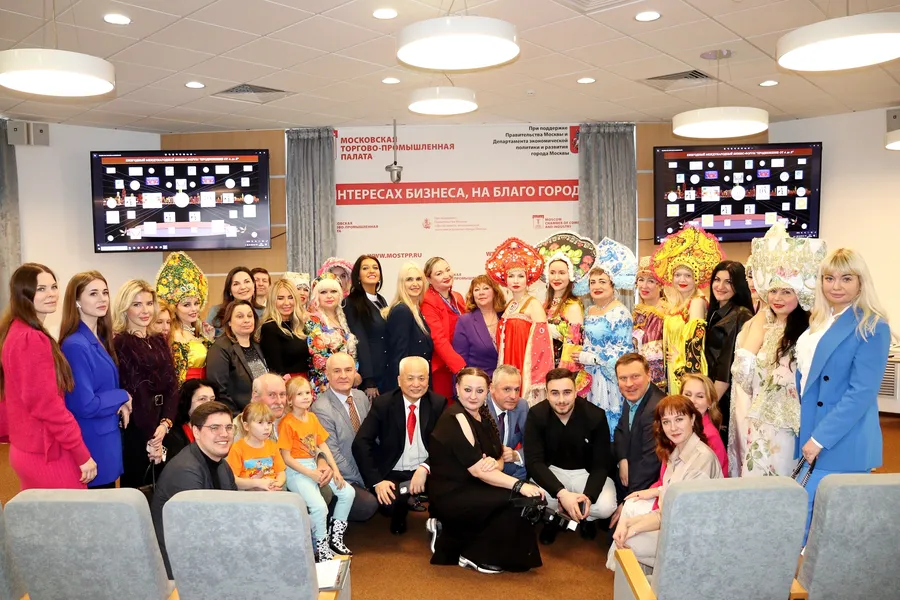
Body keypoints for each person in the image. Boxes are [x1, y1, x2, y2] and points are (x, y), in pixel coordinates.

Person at [795, 247, 890, 538]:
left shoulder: (872, 325)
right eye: (829, 278)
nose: (836, 286)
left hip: (841, 438)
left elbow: (861, 393)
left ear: (860, 282)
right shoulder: (821, 320)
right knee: (808, 519)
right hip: (813, 431)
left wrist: (819, 439)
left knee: (826, 525)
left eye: (846, 278)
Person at [729, 225, 825, 477]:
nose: (777, 298)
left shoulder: (811, 330)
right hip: (760, 421)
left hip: (792, 425)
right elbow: (742, 373)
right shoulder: (764, 324)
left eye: (786, 291)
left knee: (786, 482)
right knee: (756, 481)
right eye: (773, 291)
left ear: (800, 294)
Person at [428, 367, 544, 574]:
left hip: (476, 485)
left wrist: (495, 463)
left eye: (479, 391)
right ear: (457, 388)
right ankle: (473, 555)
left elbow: (499, 458)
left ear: (488, 391)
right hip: (453, 493)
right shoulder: (455, 418)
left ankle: (497, 552)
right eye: (468, 390)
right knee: (516, 499)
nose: (473, 396)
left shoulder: (484, 415)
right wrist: (520, 485)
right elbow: (478, 471)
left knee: (523, 501)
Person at [0, 263, 96, 489]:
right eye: (41, 289)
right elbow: (47, 405)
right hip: (44, 452)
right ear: (23, 294)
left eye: (53, 287)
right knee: (75, 510)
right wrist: (81, 453)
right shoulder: (30, 339)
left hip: (28, 447)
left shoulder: (16, 329)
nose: (51, 294)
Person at [606, 394, 723, 571]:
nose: (673, 427)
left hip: (693, 540)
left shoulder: (702, 460)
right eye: (666, 422)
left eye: (679, 419)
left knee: (626, 542)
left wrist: (634, 528)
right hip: (676, 528)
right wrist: (629, 524)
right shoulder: (676, 454)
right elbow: (666, 511)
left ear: (693, 419)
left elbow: (681, 517)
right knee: (625, 532)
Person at [352, 356, 447, 534]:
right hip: (394, 471)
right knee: (390, 504)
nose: (416, 384)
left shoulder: (438, 403)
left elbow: (445, 444)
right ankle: (404, 502)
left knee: (449, 493)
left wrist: (425, 467)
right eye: (410, 378)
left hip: (427, 470)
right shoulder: (384, 404)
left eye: (421, 378)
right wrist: (377, 481)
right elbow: (361, 443)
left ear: (428, 380)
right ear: (399, 380)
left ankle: (435, 520)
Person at [525, 369, 618, 545]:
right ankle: (554, 518)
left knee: (605, 506)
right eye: (555, 393)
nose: (561, 400)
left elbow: (601, 464)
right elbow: (534, 462)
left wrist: (588, 497)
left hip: (586, 473)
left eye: (567, 392)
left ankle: (586, 518)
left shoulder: (595, 415)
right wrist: (561, 493)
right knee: (533, 499)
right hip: (551, 471)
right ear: (547, 393)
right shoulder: (536, 414)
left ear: (576, 392)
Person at [59, 271, 131, 489]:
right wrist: (122, 396)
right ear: (76, 301)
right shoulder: (75, 345)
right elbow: (85, 404)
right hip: (92, 441)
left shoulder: (99, 339)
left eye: (105, 292)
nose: (102, 299)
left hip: (106, 437)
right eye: (93, 293)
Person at [151, 401, 238, 578]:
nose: (224, 434)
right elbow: (197, 533)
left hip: (206, 552)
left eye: (229, 427)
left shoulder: (221, 464)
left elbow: (234, 513)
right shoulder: (185, 471)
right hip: (179, 568)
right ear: (196, 432)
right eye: (214, 428)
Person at [111, 279, 179, 488]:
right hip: (137, 428)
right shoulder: (120, 342)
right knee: (138, 489)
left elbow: (172, 385)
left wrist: (165, 424)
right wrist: (152, 438)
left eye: (149, 303)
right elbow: (135, 390)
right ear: (125, 308)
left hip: (162, 426)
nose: (145, 310)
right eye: (137, 304)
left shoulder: (158, 339)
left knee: (164, 488)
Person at [280, 376, 355, 561]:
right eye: (299, 394)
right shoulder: (287, 423)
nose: (306, 397)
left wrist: (335, 470)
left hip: (314, 466)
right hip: (297, 471)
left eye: (307, 392)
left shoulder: (312, 418)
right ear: (290, 399)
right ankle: (322, 548)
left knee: (348, 492)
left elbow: (323, 445)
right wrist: (310, 473)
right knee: (319, 507)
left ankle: (335, 539)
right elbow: (286, 458)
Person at [651, 225, 724, 393]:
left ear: (695, 279)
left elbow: (696, 344)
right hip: (672, 370)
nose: (682, 280)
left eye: (688, 275)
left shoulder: (696, 302)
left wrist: (680, 363)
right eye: (678, 275)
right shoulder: (675, 305)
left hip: (684, 373)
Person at [311, 352, 380, 522]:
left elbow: (372, 438)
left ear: (355, 373)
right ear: (327, 375)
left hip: (364, 468)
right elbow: (333, 455)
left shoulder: (361, 397)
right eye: (337, 371)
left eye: (348, 370)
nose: (343, 376)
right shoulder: (321, 408)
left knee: (393, 496)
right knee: (368, 505)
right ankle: (331, 511)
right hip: (343, 475)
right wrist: (366, 480)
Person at [486, 238, 554, 405]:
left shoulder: (533, 305)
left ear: (527, 279)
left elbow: (543, 346)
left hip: (525, 366)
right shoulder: (509, 306)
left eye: (520, 276)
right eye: (511, 276)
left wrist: (536, 377)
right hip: (508, 363)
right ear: (505, 280)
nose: (515, 281)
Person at [576, 262, 634, 437]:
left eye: (602, 281)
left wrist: (593, 359)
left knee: (608, 422)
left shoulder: (620, 312)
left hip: (608, 377)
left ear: (612, 285)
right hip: (589, 374)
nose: (596, 286)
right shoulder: (589, 310)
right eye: (592, 282)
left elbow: (624, 350)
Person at [537, 233, 597, 396]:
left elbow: (573, 346)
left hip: (562, 373)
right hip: (545, 367)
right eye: (553, 272)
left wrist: (562, 379)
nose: (556, 277)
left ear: (570, 275)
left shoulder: (573, 306)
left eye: (562, 273)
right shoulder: (544, 305)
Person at [704, 260, 754, 441]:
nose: (720, 286)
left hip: (723, 397)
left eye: (729, 282)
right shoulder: (715, 312)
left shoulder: (740, 314)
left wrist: (708, 406)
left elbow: (726, 368)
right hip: (711, 391)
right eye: (717, 280)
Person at [612, 353, 664, 515]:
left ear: (649, 375)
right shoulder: (634, 397)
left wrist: (627, 501)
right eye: (623, 378)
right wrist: (622, 459)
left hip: (648, 485)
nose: (629, 384)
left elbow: (651, 463)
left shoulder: (656, 408)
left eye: (635, 376)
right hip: (631, 470)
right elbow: (620, 430)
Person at [155, 251, 214, 385]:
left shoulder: (197, 333)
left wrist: (209, 340)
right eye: (186, 305)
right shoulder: (174, 337)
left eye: (196, 303)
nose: (194, 309)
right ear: (175, 308)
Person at [207, 300, 268, 414]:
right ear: (229, 321)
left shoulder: (258, 345)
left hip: (262, 413)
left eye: (250, 316)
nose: (246, 320)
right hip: (238, 415)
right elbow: (219, 391)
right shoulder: (221, 348)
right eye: (240, 316)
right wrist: (238, 416)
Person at [345, 255, 390, 398]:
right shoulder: (351, 302)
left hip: (386, 370)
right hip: (371, 376)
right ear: (358, 275)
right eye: (365, 268)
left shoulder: (381, 299)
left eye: (375, 268)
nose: (371, 271)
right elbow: (360, 341)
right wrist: (368, 380)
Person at [421, 256, 467, 399]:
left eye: (447, 270)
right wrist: (460, 367)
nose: (446, 275)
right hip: (444, 367)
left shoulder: (458, 297)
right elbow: (438, 339)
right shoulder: (427, 301)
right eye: (439, 273)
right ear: (429, 279)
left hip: (463, 360)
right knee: (446, 407)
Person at [385, 262, 433, 384]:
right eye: (409, 279)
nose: (415, 284)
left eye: (418, 279)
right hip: (408, 385)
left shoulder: (416, 309)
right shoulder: (402, 311)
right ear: (402, 284)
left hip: (418, 381)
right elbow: (399, 355)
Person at [226, 402, 286, 491]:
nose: (267, 427)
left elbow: (281, 472)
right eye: (260, 422)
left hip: (272, 492)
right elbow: (233, 479)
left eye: (269, 423)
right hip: (250, 495)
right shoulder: (237, 448)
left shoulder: (273, 446)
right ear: (246, 426)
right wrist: (257, 483)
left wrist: (277, 483)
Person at [257, 278, 310, 379]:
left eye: (290, 297)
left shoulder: (299, 325)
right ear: (272, 301)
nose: (286, 303)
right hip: (289, 384)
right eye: (280, 298)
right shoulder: (270, 328)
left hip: (307, 381)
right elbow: (276, 369)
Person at [452, 275, 503, 379]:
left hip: (505, 382)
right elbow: (460, 361)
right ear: (472, 295)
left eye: (486, 288)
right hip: (478, 383)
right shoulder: (465, 321)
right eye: (476, 289)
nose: (481, 293)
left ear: (495, 291)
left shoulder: (506, 316)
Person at [632, 257, 669, 393]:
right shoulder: (637, 312)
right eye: (641, 280)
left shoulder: (666, 313)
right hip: (637, 376)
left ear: (661, 285)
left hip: (659, 381)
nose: (644, 286)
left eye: (651, 281)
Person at [485, 364, 528, 479]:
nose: (513, 396)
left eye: (517, 390)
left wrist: (516, 455)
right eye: (507, 389)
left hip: (513, 470)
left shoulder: (522, 406)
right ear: (492, 388)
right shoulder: (480, 407)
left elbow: (532, 444)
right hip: (485, 471)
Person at [680, 373, 728, 475]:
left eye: (700, 396)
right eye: (687, 394)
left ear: (710, 402)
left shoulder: (710, 436)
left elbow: (708, 480)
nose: (692, 401)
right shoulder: (675, 427)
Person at [162, 378, 219, 460]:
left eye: (212, 399)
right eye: (202, 399)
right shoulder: (172, 436)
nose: (209, 404)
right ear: (187, 402)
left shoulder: (218, 431)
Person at [207, 266, 258, 335]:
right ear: (230, 290)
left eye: (247, 282)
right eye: (236, 284)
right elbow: (206, 337)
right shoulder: (216, 311)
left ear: (254, 285)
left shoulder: (265, 313)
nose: (243, 287)